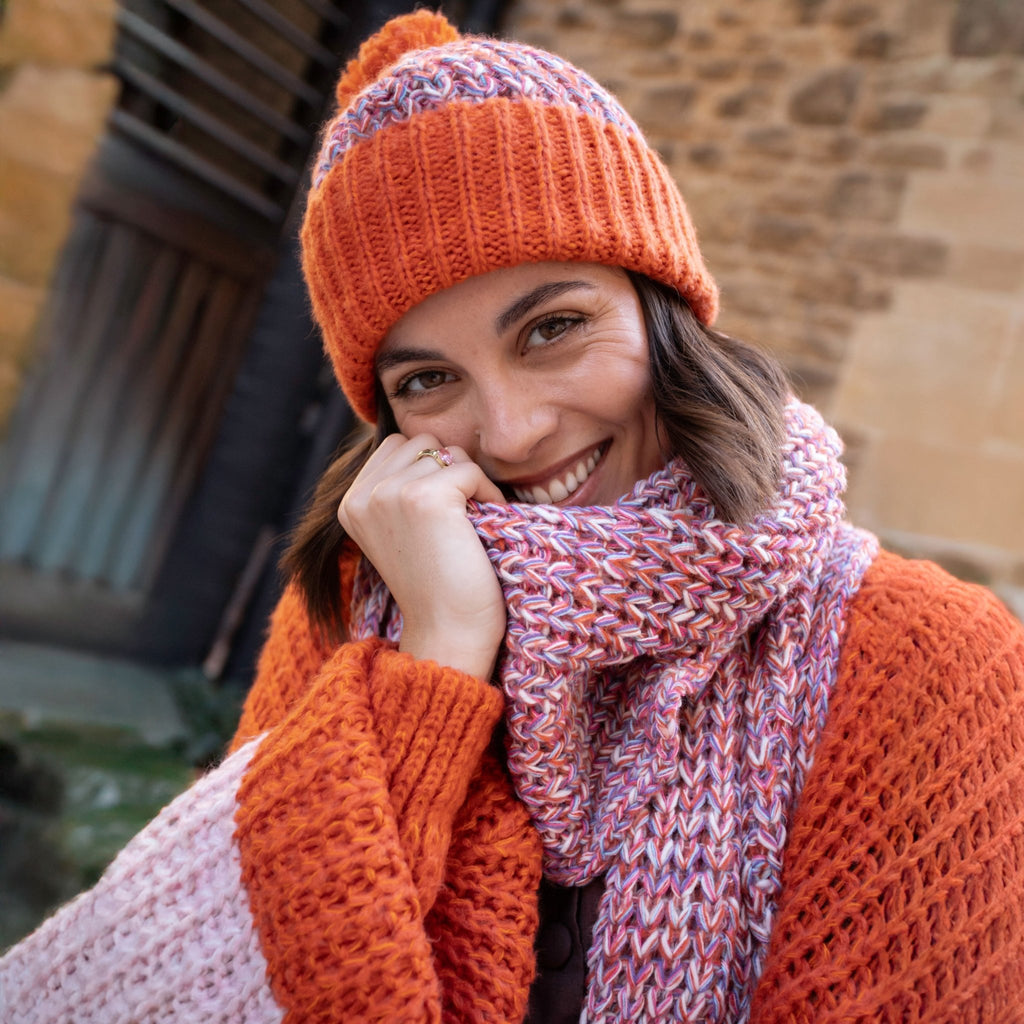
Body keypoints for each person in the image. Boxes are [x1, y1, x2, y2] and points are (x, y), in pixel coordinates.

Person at [3, 10, 1023, 1024]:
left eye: (553, 327)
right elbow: (251, 972)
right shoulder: (357, 612)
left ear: (662, 310)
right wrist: (439, 663)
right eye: (429, 378)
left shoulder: (938, 663)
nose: (511, 428)